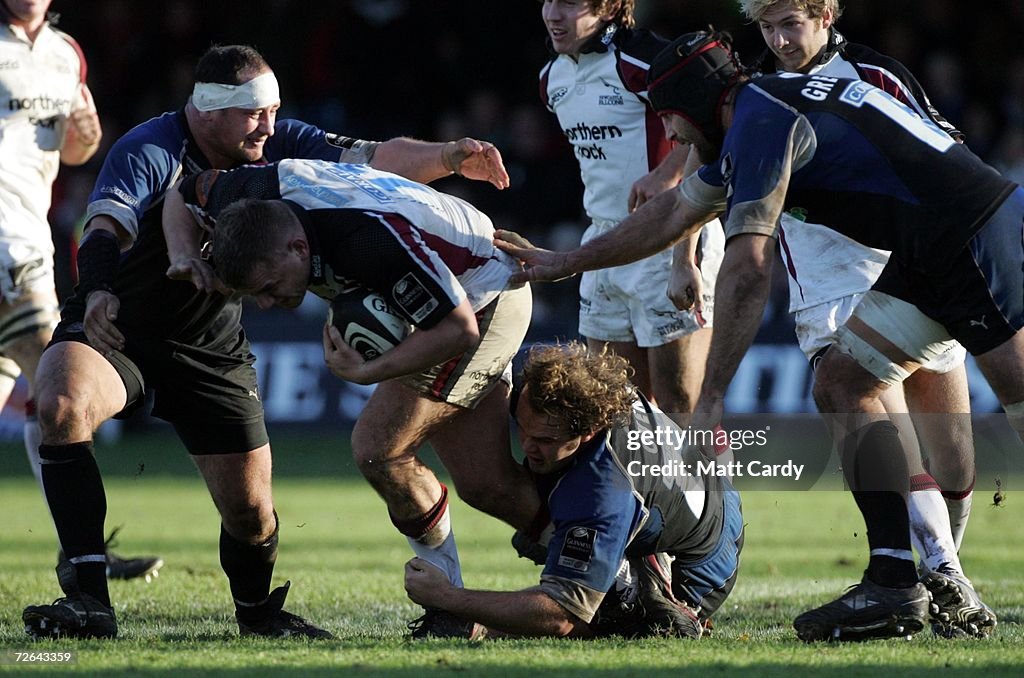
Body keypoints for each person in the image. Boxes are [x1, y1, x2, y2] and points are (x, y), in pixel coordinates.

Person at [494, 31, 1017, 642]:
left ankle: (903, 579)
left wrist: (712, 394)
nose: (677, 143)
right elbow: (671, 213)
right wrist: (565, 262)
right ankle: (895, 582)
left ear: (692, 108)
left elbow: (747, 268)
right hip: (934, 248)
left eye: (674, 126)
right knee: (843, 381)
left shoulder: (760, 122)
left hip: (975, 238)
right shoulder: (762, 107)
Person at [22, 44, 510, 640]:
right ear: (207, 112)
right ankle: (89, 603)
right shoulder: (148, 148)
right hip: (117, 325)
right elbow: (104, 226)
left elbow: (374, 159)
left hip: (211, 343)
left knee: (252, 514)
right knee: (61, 405)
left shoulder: (269, 144)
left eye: (274, 111)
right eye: (255, 114)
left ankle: (258, 615)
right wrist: (96, 291)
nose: (270, 127)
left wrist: (448, 156)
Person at [712, 0, 981, 638]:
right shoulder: (762, 95)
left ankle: (945, 571)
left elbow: (948, 152)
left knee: (957, 466)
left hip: (912, 272)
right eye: (767, 27)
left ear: (827, 14)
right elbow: (728, 178)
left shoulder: (878, 75)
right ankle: (940, 577)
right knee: (882, 422)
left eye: (790, 24)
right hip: (827, 286)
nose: (778, 40)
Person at [183, 158, 537, 639]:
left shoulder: (367, 242)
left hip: (484, 294)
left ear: (297, 246)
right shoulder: (241, 192)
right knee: (486, 484)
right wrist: (185, 253)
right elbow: (179, 195)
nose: (266, 304)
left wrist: (368, 371)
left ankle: (456, 607)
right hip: (453, 291)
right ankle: (618, 571)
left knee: (379, 449)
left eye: (267, 288)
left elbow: (457, 328)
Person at [403, 341, 743, 638]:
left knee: (621, 622)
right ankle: (629, 568)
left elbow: (561, 616)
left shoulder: (602, 491)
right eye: (523, 429)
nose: (528, 447)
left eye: (547, 440)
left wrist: (448, 598)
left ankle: (640, 587)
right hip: (694, 488)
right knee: (549, 525)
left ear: (589, 430)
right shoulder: (547, 384)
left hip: (705, 557)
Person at [0, 0, 162, 581]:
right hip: (9, 249)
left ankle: (81, 553)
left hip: (26, 244)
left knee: (52, 398)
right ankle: (82, 555)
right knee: (57, 393)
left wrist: (84, 139)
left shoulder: (66, 55)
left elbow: (69, 149)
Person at [537, 0, 725, 420]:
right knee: (616, 406)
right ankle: (641, 489)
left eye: (569, 3)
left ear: (606, 7)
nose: (552, 14)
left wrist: (665, 175)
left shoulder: (648, 59)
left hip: (670, 238)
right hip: (604, 243)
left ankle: (715, 488)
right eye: (548, 1)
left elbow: (711, 132)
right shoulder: (551, 78)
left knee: (682, 406)